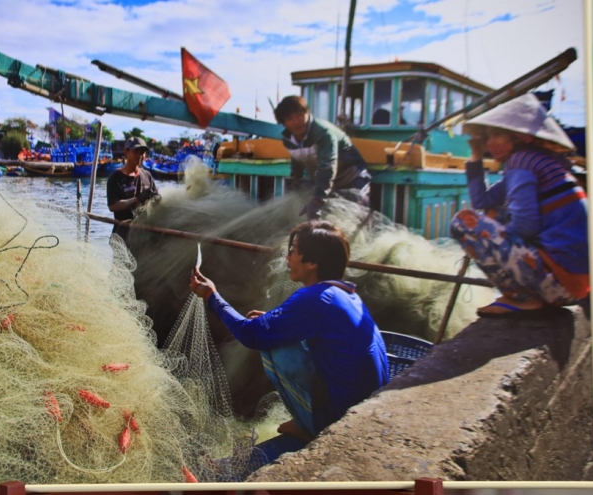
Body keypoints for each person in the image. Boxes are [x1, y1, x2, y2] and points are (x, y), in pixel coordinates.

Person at [189, 220, 389, 467]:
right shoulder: (345, 293)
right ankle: (310, 422)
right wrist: (270, 323)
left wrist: (212, 296)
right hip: (364, 407)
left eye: (293, 251)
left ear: (312, 262)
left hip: (340, 416)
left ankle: (312, 425)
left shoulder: (315, 297)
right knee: (275, 333)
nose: (287, 258)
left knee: (271, 344)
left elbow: (251, 335)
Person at [449, 94, 590, 318]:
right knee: (493, 212)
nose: (489, 143)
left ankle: (521, 297)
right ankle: (524, 291)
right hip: (575, 288)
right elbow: (483, 201)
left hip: (559, 285)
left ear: (519, 137)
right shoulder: (540, 160)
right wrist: (475, 157)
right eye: (487, 137)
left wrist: (495, 245)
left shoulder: (521, 162)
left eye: (496, 135)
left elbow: (525, 225)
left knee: (462, 221)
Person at [274, 95, 373, 221]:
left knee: (358, 218)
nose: (296, 121)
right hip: (328, 184)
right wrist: (296, 180)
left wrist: (317, 201)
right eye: (290, 118)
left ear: (307, 112)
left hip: (352, 178)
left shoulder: (323, 132)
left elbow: (327, 167)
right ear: (284, 123)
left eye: (299, 115)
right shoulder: (288, 140)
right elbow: (297, 159)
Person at [106, 136, 160, 240]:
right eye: (136, 152)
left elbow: (156, 198)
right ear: (126, 151)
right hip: (122, 235)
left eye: (143, 152)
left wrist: (156, 199)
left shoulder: (147, 175)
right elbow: (113, 206)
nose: (140, 156)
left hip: (144, 235)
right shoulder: (116, 178)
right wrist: (137, 199)